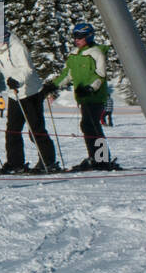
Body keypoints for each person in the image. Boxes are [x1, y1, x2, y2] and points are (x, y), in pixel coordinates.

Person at [0, 27, 60, 174]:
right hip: (14, 94)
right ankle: (15, 163)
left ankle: (48, 162)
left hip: (31, 92)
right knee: (12, 131)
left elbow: (27, 70)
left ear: (3, 37)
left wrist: (18, 81)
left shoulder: (18, 47)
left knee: (36, 129)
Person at [46, 22, 118, 171]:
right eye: (75, 36)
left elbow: (101, 75)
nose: (76, 40)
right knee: (88, 126)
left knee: (92, 126)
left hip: (95, 97)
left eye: (80, 37)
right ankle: (96, 157)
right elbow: (68, 74)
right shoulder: (74, 54)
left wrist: (91, 88)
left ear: (89, 37)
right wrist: (53, 85)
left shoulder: (96, 52)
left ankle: (102, 159)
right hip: (83, 97)